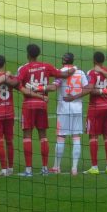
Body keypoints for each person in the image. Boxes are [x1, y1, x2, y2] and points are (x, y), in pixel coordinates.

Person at [16, 44, 75, 176]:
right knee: (43, 136)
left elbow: (17, 83)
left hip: (28, 105)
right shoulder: (47, 66)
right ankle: (44, 169)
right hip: (42, 105)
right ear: (38, 54)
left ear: (28, 54)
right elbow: (63, 74)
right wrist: (73, 69)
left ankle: (28, 170)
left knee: (27, 136)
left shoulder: (24, 69)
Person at [77, 52, 107, 175]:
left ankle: (95, 167)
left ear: (94, 60)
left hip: (95, 108)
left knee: (93, 136)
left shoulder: (92, 72)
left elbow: (91, 90)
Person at [52, 53, 88, 175]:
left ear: (63, 61)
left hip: (63, 109)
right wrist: (75, 97)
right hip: (77, 108)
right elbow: (87, 88)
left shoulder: (59, 72)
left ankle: (56, 167)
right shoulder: (81, 72)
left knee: (61, 137)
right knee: (76, 137)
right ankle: (74, 168)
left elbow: (54, 87)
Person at [0, 55, 20, 176]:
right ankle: (10, 168)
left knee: (0, 140)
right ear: (4, 63)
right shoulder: (10, 77)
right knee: (9, 140)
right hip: (9, 112)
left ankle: (4, 169)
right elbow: (17, 83)